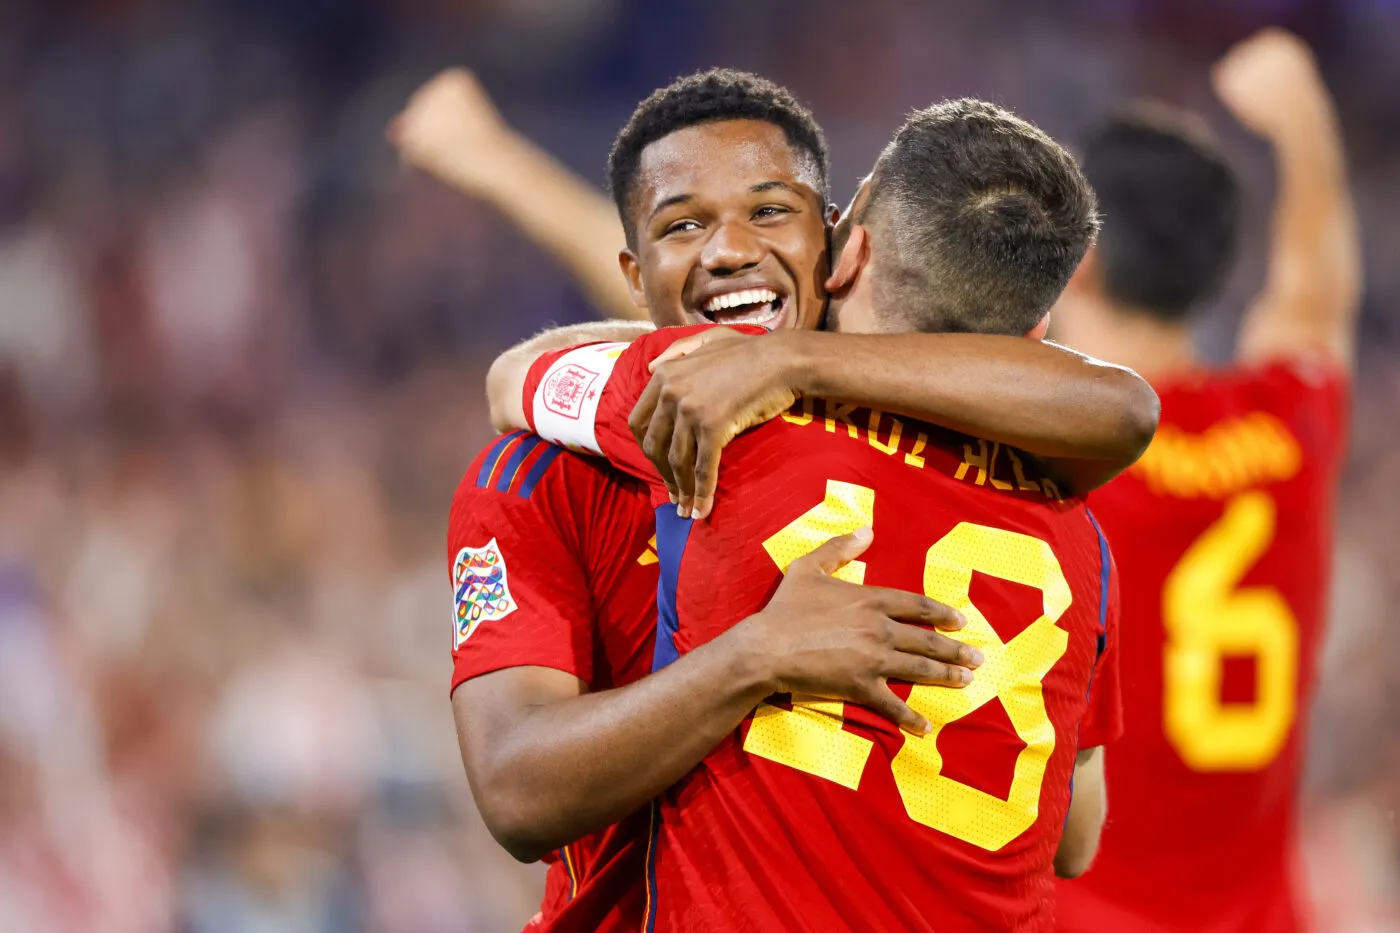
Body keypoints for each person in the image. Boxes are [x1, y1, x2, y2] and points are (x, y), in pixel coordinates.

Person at [422, 71, 1159, 933]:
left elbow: (516, 375)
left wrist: (755, 656)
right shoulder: (1071, 511)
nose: (730, 250)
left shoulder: (737, 430)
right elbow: (1071, 833)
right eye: (684, 224)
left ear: (839, 241)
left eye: (770, 212)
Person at [1043, 29, 1361, 932]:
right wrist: (1303, 124)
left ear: (1081, 262)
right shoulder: (1286, 425)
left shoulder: (1049, 461)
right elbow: (1316, 291)